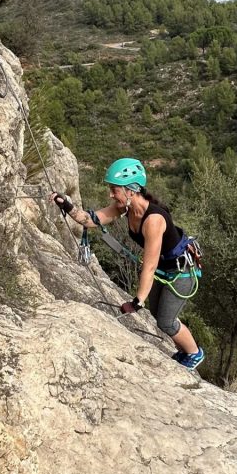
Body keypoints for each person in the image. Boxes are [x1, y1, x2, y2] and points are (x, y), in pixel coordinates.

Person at [50, 158, 205, 370]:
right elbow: (91, 220)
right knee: (159, 316)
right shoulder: (126, 209)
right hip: (165, 270)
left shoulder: (154, 220)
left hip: (182, 273)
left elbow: (148, 267)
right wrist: (66, 205)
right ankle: (182, 352)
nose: (111, 195)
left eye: (115, 190)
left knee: (166, 321)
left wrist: (138, 300)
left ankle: (194, 353)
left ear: (131, 191)